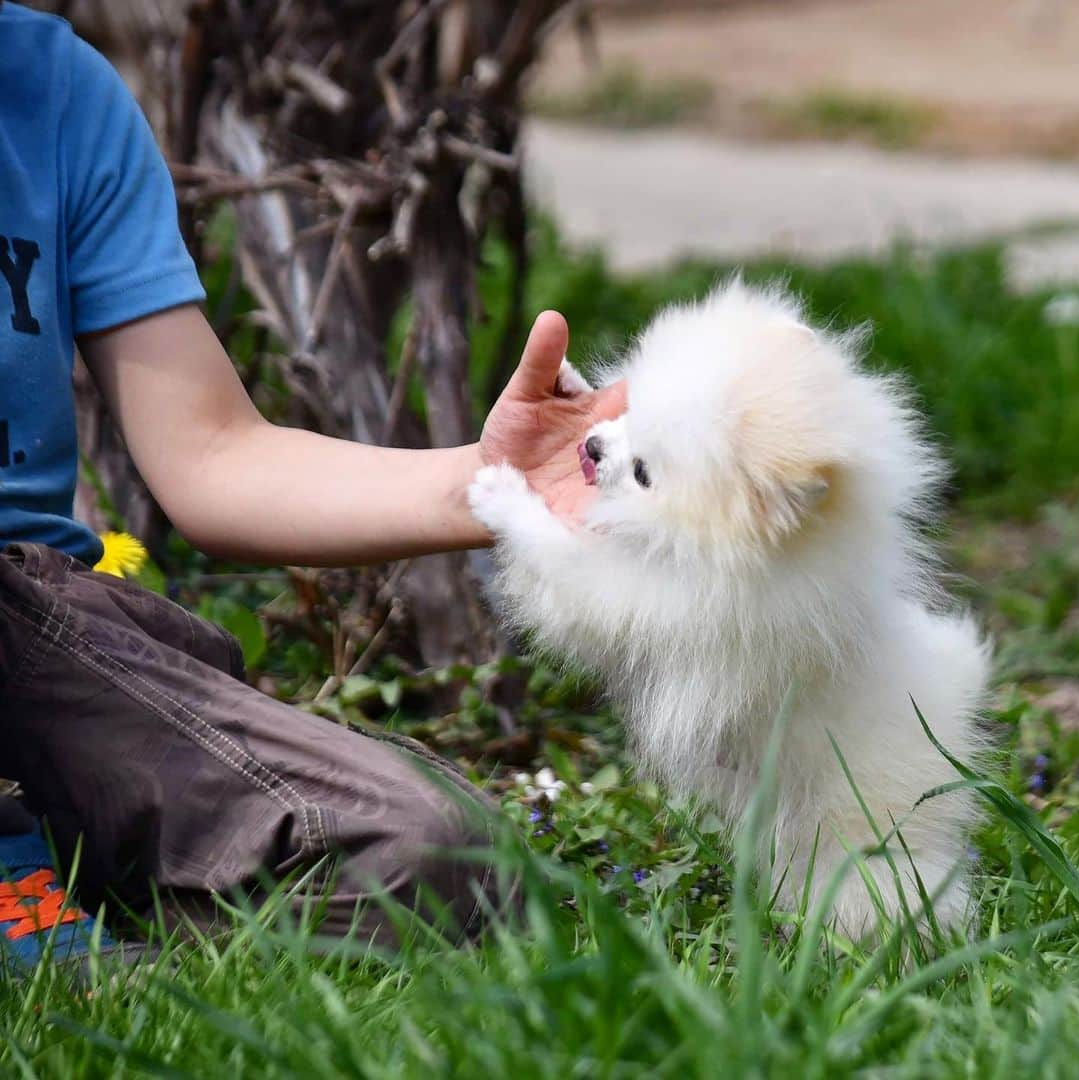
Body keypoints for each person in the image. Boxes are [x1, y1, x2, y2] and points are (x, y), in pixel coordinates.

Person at [0, 0, 624, 972]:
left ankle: (63, 879)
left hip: (26, 622)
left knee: (432, 855)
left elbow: (211, 455)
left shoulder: (51, 89)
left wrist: (489, 483)